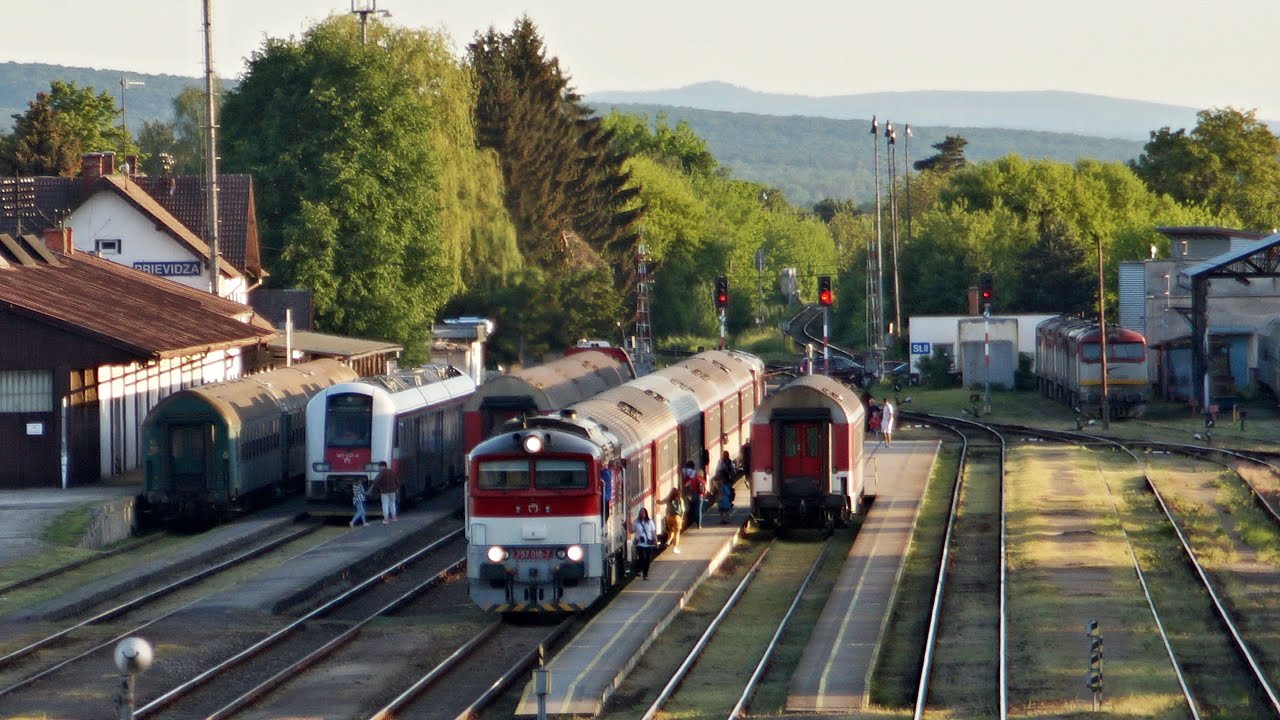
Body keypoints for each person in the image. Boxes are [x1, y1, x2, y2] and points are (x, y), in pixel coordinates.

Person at [632, 507, 658, 579]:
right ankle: (639, 570)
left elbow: (653, 532)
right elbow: (632, 531)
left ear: (646, 513)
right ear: (639, 514)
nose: (642, 514)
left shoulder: (650, 522)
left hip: (649, 543)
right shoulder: (636, 522)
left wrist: (655, 542)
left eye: (643, 512)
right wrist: (626, 526)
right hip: (640, 544)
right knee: (642, 558)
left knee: (647, 560)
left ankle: (645, 574)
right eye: (641, 512)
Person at [682, 460, 705, 527]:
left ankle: (693, 520)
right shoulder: (702, 480)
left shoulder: (693, 479)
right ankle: (699, 524)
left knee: (693, 509)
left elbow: (686, 485)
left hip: (693, 495)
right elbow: (704, 490)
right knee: (699, 510)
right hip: (700, 496)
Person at [663, 485, 685, 553]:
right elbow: (683, 509)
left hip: (668, 517)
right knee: (677, 533)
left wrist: (656, 501)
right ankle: (675, 547)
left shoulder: (668, 499)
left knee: (671, 530)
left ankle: (668, 541)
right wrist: (681, 517)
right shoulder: (680, 499)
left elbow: (660, 502)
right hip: (677, 517)